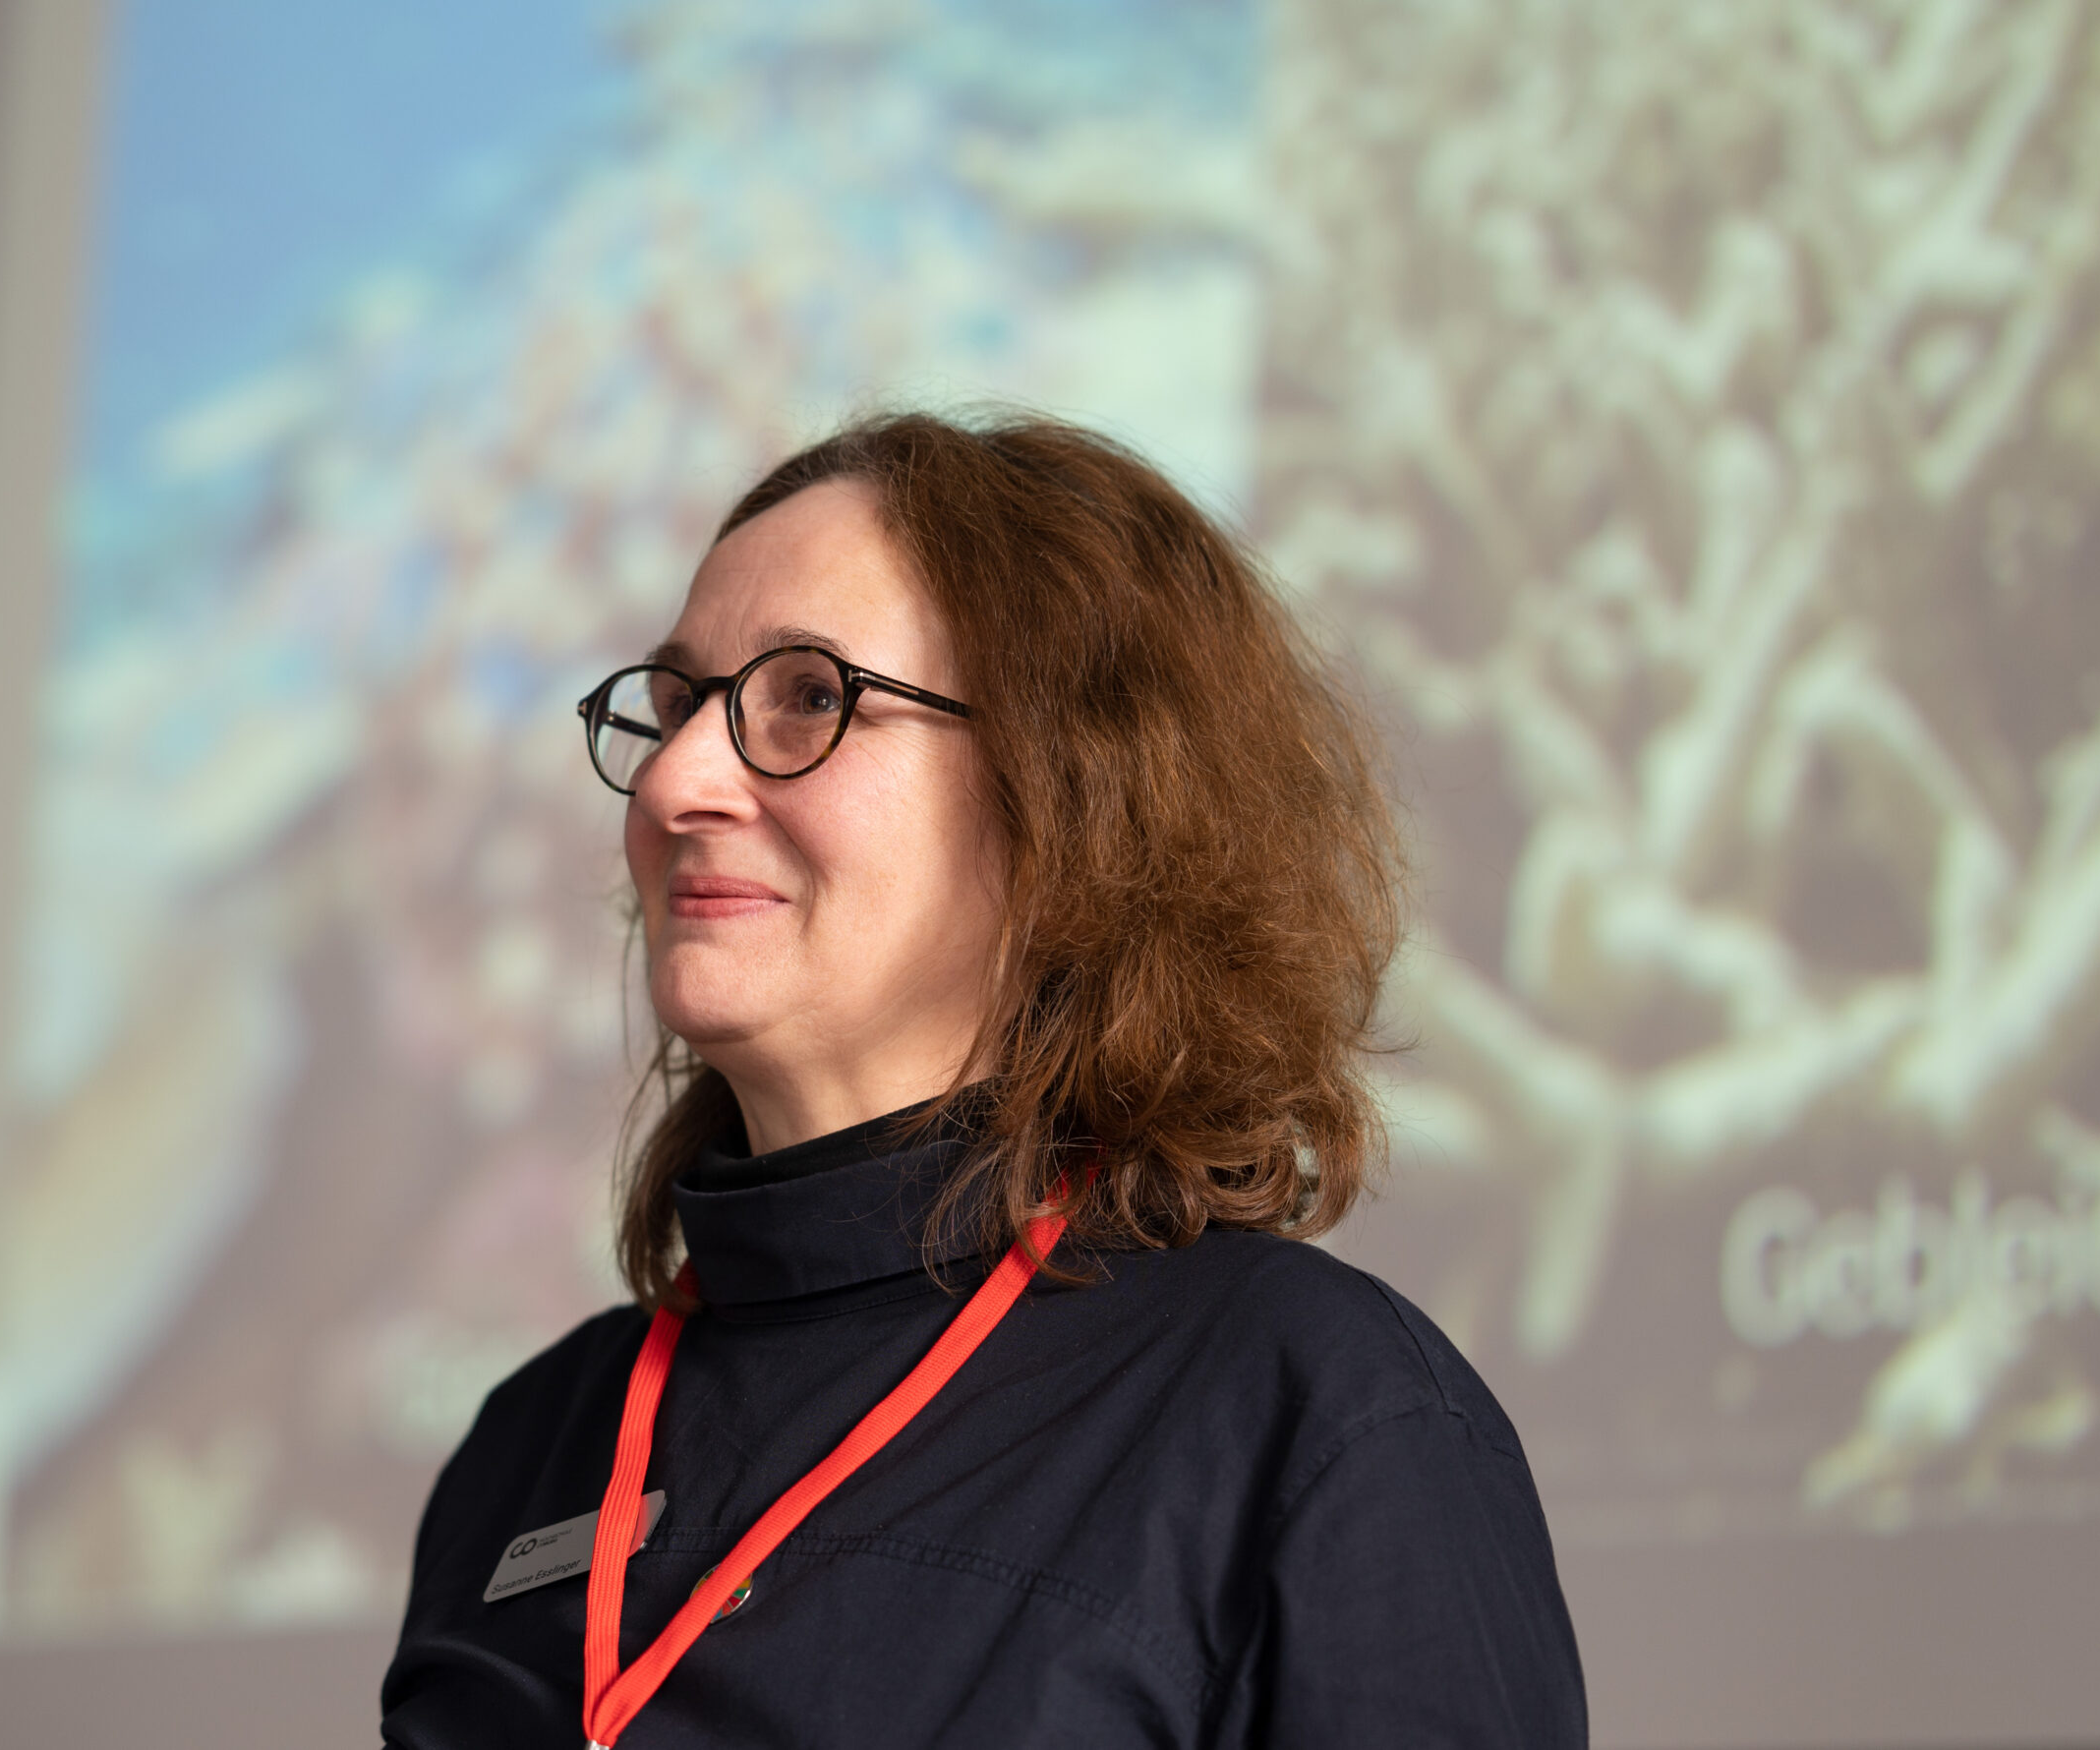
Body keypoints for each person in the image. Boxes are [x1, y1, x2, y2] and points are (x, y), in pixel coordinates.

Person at [380, 412, 1586, 1747]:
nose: (675, 781)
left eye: (810, 698)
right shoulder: (532, 1441)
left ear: (1069, 796)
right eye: (672, 707)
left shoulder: (1314, 1414)